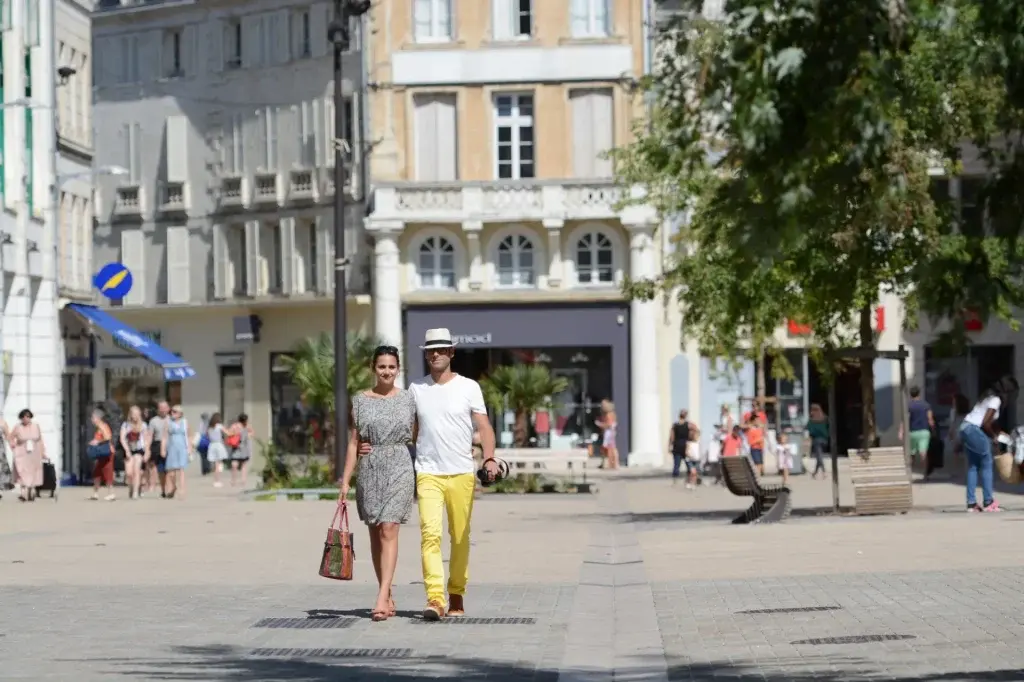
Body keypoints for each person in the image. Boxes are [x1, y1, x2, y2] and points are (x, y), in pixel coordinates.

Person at [378, 328, 497, 621]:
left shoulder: (469, 387)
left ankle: (456, 591)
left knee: (460, 537)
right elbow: (408, 428)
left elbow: (484, 426)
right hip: (428, 472)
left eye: (441, 349)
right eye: (431, 350)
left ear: (452, 353)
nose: (435, 354)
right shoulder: (416, 388)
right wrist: (372, 442)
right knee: (429, 535)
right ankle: (435, 597)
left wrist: (491, 458)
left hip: (460, 473)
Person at [341, 345, 416, 622]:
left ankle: (382, 596)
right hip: (370, 466)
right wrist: (345, 480)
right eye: (382, 366)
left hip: (399, 463)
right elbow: (353, 442)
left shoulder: (409, 399)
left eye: (392, 367)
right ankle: (385, 590)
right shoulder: (360, 400)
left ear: (398, 369)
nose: (387, 372)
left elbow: (418, 436)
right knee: (375, 531)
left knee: (389, 527)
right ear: (374, 368)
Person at [961, 376, 1019, 512]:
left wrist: (999, 432)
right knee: (987, 463)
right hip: (974, 429)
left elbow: (989, 421)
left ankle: (971, 503)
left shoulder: (987, 397)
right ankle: (988, 502)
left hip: (965, 427)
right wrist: (994, 437)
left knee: (973, 466)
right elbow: (985, 423)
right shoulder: (996, 400)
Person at [11, 409, 46, 502]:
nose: (25, 419)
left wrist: (43, 452)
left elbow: (40, 440)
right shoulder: (18, 427)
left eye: (27, 416)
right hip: (21, 453)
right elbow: (11, 437)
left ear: (30, 417)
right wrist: (13, 445)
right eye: (23, 417)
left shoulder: (36, 426)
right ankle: (23, 493)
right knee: (22, 472)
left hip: (34, 453)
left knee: (33, 471)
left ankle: (32, 490)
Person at [899, 386, 935, 476]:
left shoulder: (909, 406)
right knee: (923, 453)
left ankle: (909, 473)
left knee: (911, 453)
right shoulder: (926, 405)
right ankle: (925, 473)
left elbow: (904, 419)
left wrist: (901, 431)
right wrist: (933, 429)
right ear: (919, 393)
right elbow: (930, 420)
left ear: (910, 395)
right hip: (924, 432)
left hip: (912, 432)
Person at [162, 404, 192, 499]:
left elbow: (189, 435)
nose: (172, 413)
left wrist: (190, 448)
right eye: (172, 411)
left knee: (181, 470)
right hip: (172, 447)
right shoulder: (168, 422)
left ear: (180, 414)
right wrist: (162, 449)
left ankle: (181, 489)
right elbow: (165, 436)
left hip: (182, 447)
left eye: (175, 411)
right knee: (171, 471)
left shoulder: (184, 422)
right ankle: (173, 486)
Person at [119, 405, 149, 499]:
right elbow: (122, 438)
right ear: (130, 415)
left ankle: (136, 491)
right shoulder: (125, 425)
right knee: (129, 473)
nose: (135, 416)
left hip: (139, 450)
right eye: (133, 414)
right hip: (129, 450)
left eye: (137, 414)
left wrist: (147, 451)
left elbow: (146, 440)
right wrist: (127, 450)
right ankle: (131, 487)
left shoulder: (143, 425)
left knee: (137, 471)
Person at [87, 408, 115, 501]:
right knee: (97, 472)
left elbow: (107, 437)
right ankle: (95, 493)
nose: (92, 420)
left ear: (97, 418)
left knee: (107, 472)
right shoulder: (99, 427)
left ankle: (111, 493)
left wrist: (97, 442)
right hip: (102, 454)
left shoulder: (102, 426)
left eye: (92, 418)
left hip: (107, 453)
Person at [147, 401, 170, 496]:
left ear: (168, 409)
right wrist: (147, 448)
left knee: (171, 469)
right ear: (158, 410)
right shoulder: (153, 421)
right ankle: (163, 489)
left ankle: (170, 488)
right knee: (161, 469)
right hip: (157, 444)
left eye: (165, 408)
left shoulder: (172, 419)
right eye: (161, 408)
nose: (163, 410)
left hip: (171, 445)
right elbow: (150, 435)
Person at [228, 414, 254, 487]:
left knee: (234, 464)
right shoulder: (247, 426)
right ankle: (243, 480)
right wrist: (247, 435)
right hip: (244, 447)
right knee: (243, 465)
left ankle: (233, 480)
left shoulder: (234, 426)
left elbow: (229, 433)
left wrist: (235, 434)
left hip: (236, 447)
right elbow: (252, 433)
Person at [205, 413, 230, 488]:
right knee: (218, 464)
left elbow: (207, 436)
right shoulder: (219, 426)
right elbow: (228, 433)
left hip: (212, 445)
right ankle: (217, 480)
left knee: (216, 464)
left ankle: (216, 479)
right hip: (218, 445)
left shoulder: (209, 428)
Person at [806, 403, 829, 480]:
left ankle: (824, 471)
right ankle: (815, 473)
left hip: (816, 440)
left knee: (819, 457)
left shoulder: (812, 420)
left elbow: (808, 429)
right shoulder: (825, 418)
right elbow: (829, 427)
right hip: (824, 440)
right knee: (819, 456)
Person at [668, 410, 691, 485]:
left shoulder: (675, 425)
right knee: (688, 464)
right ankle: (689, 480)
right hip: (685, 446)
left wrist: (669, 446)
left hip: (677, 446)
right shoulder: (688, 425)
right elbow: (695, 432)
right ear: (686, 416)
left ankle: (675, 481)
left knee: (676, 465)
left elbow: (671, 437)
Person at [596, 399, 619, 470]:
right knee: (610, 448)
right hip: (610, 433)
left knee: (609, 448)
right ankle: (610, 464)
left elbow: (609, 425)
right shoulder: (611, 414)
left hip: (609, 433)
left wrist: (600, 424)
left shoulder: (609, 414)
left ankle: (612, 464)